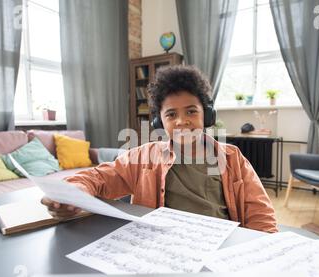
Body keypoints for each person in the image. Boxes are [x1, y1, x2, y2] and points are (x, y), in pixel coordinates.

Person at [42, 65, 278, 233]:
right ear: (159, 122)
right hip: (161, 249)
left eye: (191, 111)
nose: (181, 121)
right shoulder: (144, 156)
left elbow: (260, 215)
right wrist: (73, 193)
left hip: (219, 246)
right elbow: (99, 177)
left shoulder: (232, 158)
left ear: (207, 115)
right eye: (171, 114)